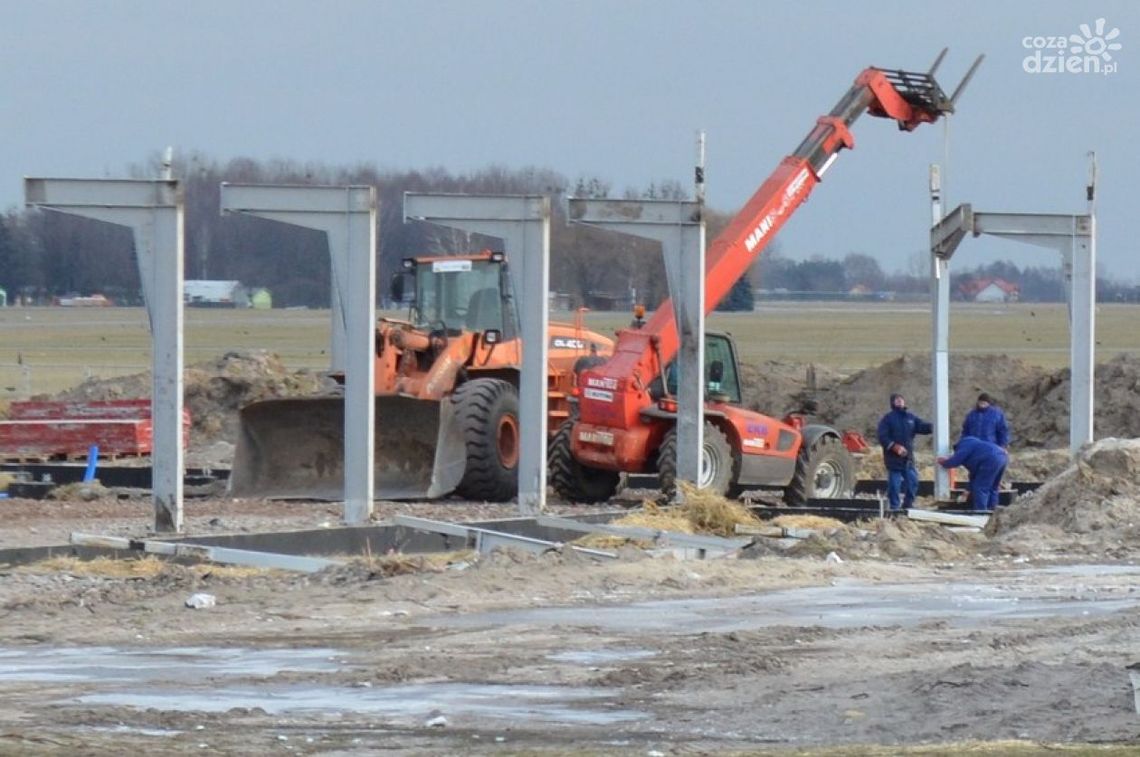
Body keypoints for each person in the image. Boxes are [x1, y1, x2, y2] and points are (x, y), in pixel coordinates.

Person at [876, 393, 933, 511]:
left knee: (913, 482)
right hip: (893, 459)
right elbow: (882, 436)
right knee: (894, 486)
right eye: (896, 400)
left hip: (908, 458)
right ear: (892, 403)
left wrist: (934, 426)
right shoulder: (888, 419)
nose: (899, 401)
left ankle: (908, 504)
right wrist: (894, 447)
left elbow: (922, 426)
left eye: (901, 399)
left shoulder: (910, 417)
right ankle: (894, 507)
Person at [937, 435, 1009, 512]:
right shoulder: (976, 449)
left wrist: (944, 462)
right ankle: (992, 510)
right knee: (993, 487)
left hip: (990, 460)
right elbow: (974, 477)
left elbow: (955, 461)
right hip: (1002, 457)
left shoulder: (964, 445)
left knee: (980, 488)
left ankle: (981, 513)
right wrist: (967, 491)